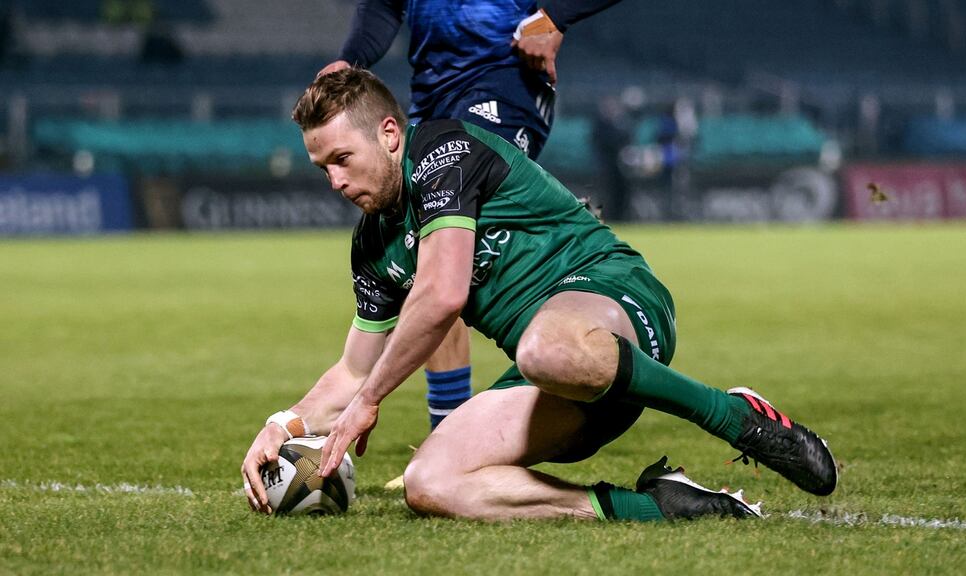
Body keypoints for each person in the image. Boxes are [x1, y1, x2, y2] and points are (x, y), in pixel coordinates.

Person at [240, 69, 838, 521]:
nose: (337, 182)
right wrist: (283, 423)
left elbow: (443, 293)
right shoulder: (372, 243)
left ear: (390, 134)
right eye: (323, 169)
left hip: (615, 301)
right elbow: (352, 369)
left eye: (343, 159)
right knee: (430, 483)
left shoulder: (445, 152)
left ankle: (734, 417)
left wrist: (368, 402)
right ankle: (659, 507)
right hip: (556, 378)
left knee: (544, 348)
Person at [320, 0, 625, 430]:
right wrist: (351, 59)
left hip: (504, 76)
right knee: (421, 262)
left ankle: (570, 240)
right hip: (432, 90)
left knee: (440, 248)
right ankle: (450, 431)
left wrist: (554, 15)